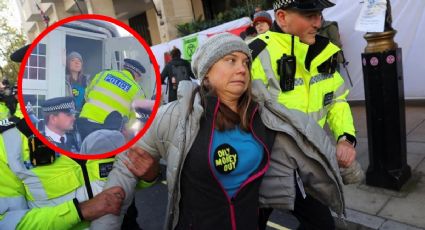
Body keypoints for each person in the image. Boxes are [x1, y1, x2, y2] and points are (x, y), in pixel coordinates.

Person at [91, 33, 345, 230]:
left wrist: (348, 161)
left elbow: (312, 145)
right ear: (206, 74)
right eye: (230, 60)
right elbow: (126, 166)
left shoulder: (266, 115)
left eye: (245, 62)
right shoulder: (174, 116)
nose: (242, 68)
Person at [249, 0, 363, 229]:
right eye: (309, 15)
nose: (318, 23)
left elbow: (337, 100)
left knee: (320, 225)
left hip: (306, 161)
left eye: (319, 14)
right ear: (281, 17)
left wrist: (346, 138)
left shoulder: (326, 52)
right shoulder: (255, 54)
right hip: (263, 163)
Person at [0, 44, 126, 230]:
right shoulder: (8, 141)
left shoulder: (83, 125)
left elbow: (121, 173)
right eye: (35, 67)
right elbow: (8, 221)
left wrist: (148, 176)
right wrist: (78, 211)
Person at [77, 58, 147, 141]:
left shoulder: (103, 74)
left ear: (123, 68)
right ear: (137, 75)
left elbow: (87, 95)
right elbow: (135, 119)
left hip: (85, 121)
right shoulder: (137, 90)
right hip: (107, 129)